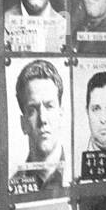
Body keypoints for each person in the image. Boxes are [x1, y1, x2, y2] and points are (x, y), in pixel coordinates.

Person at [13, 59, 65, 190]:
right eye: (33, 110)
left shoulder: (78, 173)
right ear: (23, 123)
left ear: (61, 115)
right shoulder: (13, 187)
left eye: (49, 106)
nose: (43, 119)